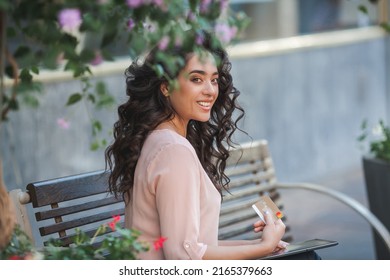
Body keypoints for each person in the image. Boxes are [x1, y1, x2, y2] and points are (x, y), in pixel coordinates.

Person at [105, 31, 310, 260]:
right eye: (196, 79)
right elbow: (183, 255)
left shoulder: (160, 140)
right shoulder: (173, 150)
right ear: (165, 87)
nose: (211, 90)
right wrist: (261, 249)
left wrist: (262, 245)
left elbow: (192, 245)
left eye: (213, 80)